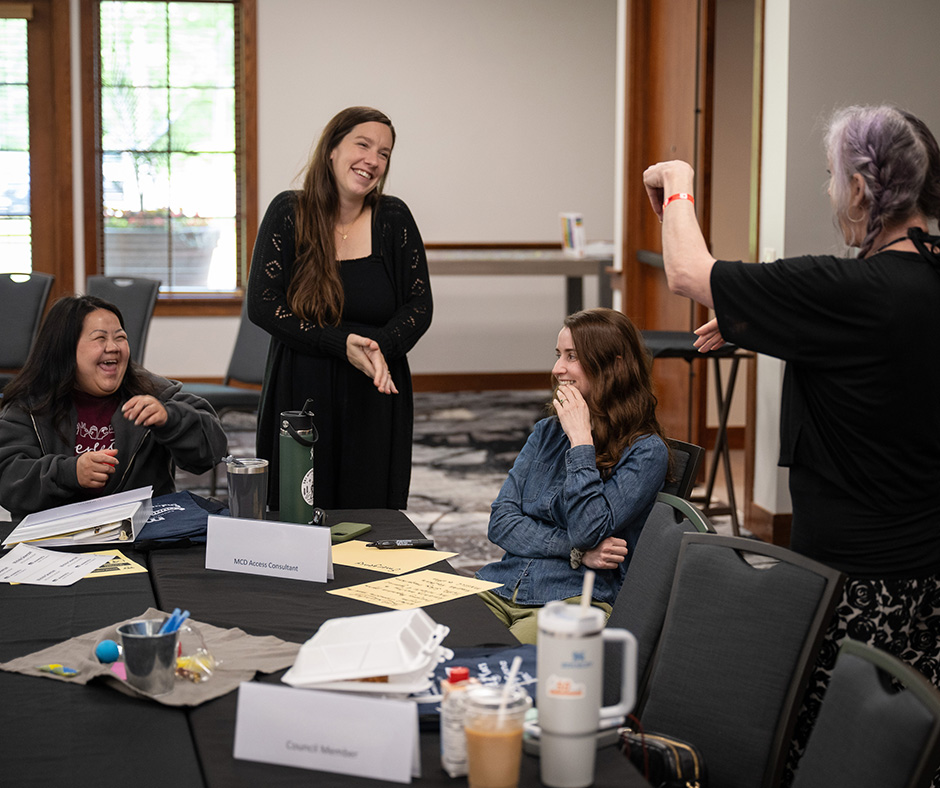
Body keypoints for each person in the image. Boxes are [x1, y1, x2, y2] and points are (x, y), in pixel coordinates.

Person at [643, 104, 940, 784]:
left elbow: (689, 272)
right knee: (907, 755)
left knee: (837, 755)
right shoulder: (922, 277)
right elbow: (880, 364)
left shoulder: (856, 289)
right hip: (926, 565)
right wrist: (772, 324)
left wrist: (680, 179)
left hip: (863, 583)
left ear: (863, 189)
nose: (833, 193)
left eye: (834, 178)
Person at [247, 106, 432, 511]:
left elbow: (419, 305)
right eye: (362, 144)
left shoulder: (394, 218)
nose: (373, 160)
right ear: (332, 149)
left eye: (384, 152)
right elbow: (263, 305)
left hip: (375, 390)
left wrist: (376, 347)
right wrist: (338, 342)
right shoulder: (288, 212)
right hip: (300, 387)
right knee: (296, 510)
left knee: (371, 516)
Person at [475, 308, 670, 645]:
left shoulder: (647, 452)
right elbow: (501, 522)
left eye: (572, 357)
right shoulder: (547, 432)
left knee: (505, 661)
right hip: (502, 583)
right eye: (558, 355)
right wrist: (576, 551)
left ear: (616, 365)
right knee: (431, 633)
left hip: (571, 598)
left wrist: (581, 440)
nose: (557, 369)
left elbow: (587, 529)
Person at [0, 295, 228, 518]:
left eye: (120, 337)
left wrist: (171, 419)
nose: (114, 347)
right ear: (65, 349)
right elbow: (8, 480)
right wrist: (70, 473)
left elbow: (212, 451)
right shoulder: (30, 405)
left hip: (142, 540)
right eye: (100, 338)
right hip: (55, 545)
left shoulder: (155, 394)